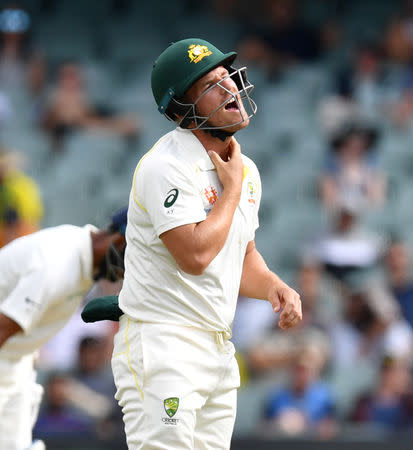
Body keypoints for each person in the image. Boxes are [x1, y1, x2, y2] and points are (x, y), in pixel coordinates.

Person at [111, 37, 302, 450]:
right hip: (164, 343)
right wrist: (230, 191)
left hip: (216, 347)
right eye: (212, 84)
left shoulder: (245, 168)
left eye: (229, 76)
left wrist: (275, 287)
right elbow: (196, 256)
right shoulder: (166, 165)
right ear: (182, 108)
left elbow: (241, 256)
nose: (231, 87)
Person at [0, 208, 127, 450]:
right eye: (134, 260)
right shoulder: (58, 262)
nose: (128, 273)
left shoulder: (82, 259)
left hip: (15, 366)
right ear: (121, 241)